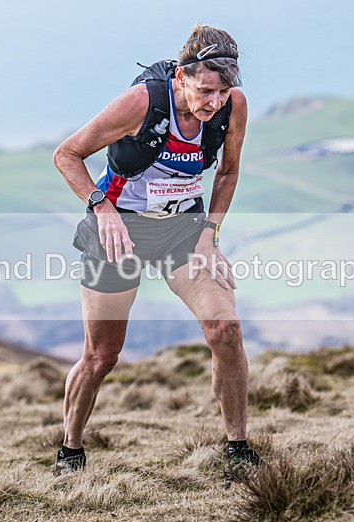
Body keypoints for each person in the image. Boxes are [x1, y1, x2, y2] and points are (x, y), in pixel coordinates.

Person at [52, 24, 259, 477]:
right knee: (102, 356)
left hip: (184, 231)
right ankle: (71, 450)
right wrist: (101, 209)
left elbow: (227, 173)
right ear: (182, 77)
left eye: (223, 92)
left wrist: (210, 234)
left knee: (226, 328)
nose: (215, 102)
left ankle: (238, 450)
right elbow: (67, 154)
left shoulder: (232, 107)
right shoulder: (142, 103)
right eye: (206, 90)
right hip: (118, 232)